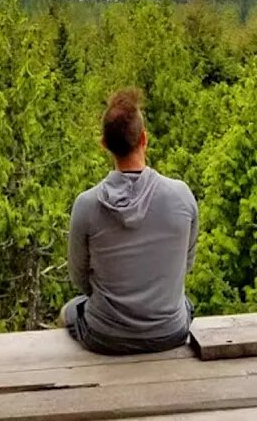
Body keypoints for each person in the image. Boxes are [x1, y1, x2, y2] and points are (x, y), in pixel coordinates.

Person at [62, 88, 198, 354]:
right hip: (170, 332)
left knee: (69, 310)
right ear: (144, 139)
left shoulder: (86, 205)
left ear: (104, 144)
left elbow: (79, 279)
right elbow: (186, 265)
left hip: (105, 337)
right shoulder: (181, 196)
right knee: (185, 303)